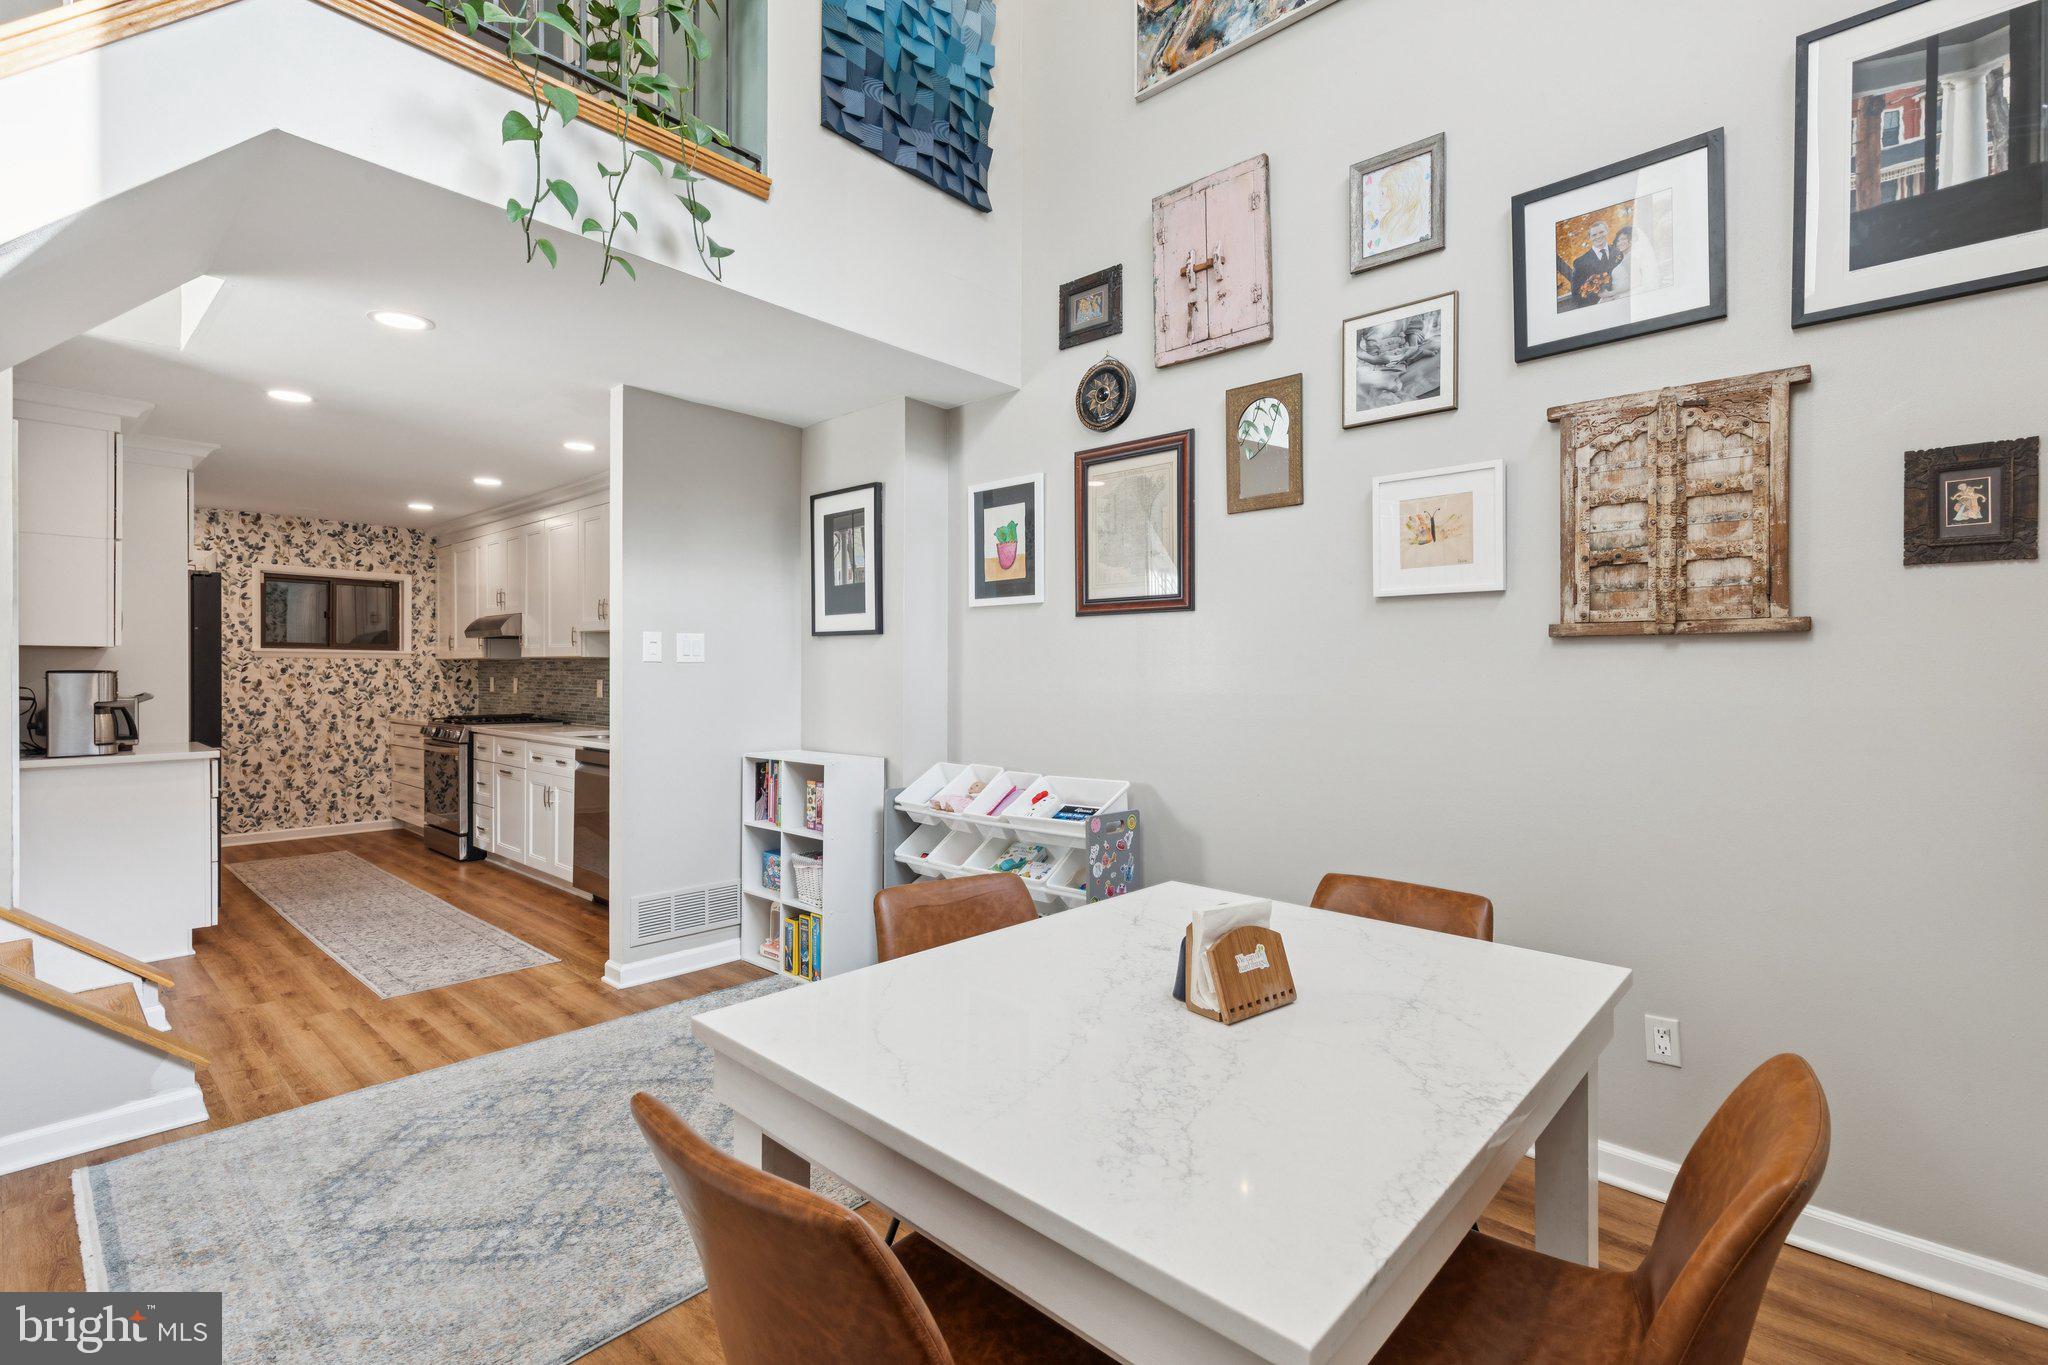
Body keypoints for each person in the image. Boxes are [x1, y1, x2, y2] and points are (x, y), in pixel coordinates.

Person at [1568, 219, 1619, 308]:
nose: (1598, 236)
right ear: (1590, 237)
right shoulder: (1580, 262)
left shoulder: (1618, 252)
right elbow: (1576, 294)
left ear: (1607, 232)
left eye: (1601, 232)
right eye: (1594, 235)